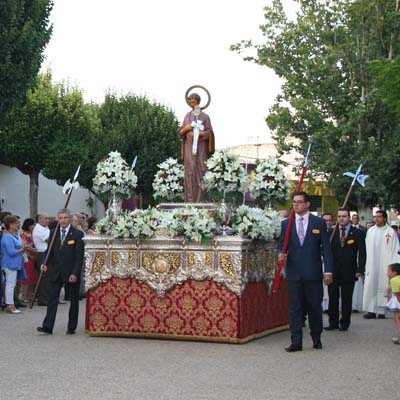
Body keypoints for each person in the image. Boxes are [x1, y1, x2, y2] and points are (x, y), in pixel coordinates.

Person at [278, 191, 333, 352]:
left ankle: (316, 337)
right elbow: (282, 245)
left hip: (313, 272)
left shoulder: (318, 223)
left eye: (300, 202)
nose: (296, 205)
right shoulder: (286, 224)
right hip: (294, 272)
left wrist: (328, 271)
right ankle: (296, 341)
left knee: (314, 306)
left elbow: (326, 249)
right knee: (295, 308)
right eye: (294, 202)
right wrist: (280, 254)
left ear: (307, 204)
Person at [37, 208, 84, 335]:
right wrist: (45, 264)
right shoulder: (53, 233)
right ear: (58, 219)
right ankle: (47, 326)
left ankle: (71, 327)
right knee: (52, 299)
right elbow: (49, 252)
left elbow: (79, 257)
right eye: (61, 218)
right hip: (56, 271)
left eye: (65, 218)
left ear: (69, 219)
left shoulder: (77, 234)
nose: (63, 220)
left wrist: (75, 273)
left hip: (71, 273)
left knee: (73, 300)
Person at [325, 208, 366, 331]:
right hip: (333, 271)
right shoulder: (331, 232)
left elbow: (362, 253)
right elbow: (325, 251)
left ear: (349, 217)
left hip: (349, 271)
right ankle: (333, 322)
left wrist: (360, 269)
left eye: (344, 216)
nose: (341, 218)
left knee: (347, 299)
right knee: (333, 297)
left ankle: (345, 323)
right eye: (339, 216)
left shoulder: (357, 233)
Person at [177, 92, 215, 203]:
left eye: (194, 102)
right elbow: (180, 132)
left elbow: (210, 133)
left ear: (198, 102)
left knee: (202, 170)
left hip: (201, 147)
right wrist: (187, 128)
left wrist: (202, 133)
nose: (192, 105)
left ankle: (201, 200)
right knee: (190, 171)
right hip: (190, 148)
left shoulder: (205, 117)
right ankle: (190, 201)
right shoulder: (187, 116)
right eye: (190, 103)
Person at [362, 209, 400, 319]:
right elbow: (367, 249)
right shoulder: (371, 231)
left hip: (385, 263)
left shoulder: (390, 232)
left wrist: (393, 266)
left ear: (384, 218)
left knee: (383, 285)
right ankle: (371, 311)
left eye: (379, 216)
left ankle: (382, 311)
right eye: (375, 216)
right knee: (371, 285)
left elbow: (395, 249)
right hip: (372, 263)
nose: (377, 219)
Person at [0, 215, 27, 314]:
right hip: (9, 264)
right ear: (10, 225)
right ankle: (10, 305)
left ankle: (10, 304)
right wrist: (22, 249)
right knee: (10, 285)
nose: (18, 224)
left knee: (11, 284)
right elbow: (11, 252)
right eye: (16, 223)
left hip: (13, 264)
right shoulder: (7, 237)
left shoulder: (12, 235)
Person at [32, 213, 50, 305]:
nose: (47, 220)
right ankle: (43, 299)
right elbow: (49, 240)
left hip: (48, 253)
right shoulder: (38, 229)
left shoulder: (45, 228)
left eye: (48, 218)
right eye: (45, 218)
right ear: (39, 219)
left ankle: (48, 297)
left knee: (48, 276)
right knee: (44, 276)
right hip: (42, 254)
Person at [20, 218, 38, 304]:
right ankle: (24, 296)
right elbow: (25, 246)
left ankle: (31, 295)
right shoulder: (23, 234)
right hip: (28, 258)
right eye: (32, 225)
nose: (33, 226)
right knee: (27, 278)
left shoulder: (33, 234)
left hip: (34, 258)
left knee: (34, 277)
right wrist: (33, 248)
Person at [321, 212, 334, 312]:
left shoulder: (334, 232)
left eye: (330, 220)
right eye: (326, 220)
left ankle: (327, 306)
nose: (328, 222)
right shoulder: (317, 231)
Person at [385, 263, 400, 344]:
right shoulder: (396, 279)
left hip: (398, 301)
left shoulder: (393, 280)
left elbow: (398, 294)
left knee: (397, 318)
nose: (387, 273)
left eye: (388, 271)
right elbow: (389, 288)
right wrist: (386, 292)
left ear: (395, 273)